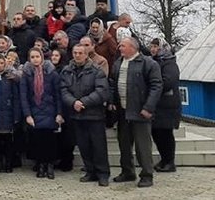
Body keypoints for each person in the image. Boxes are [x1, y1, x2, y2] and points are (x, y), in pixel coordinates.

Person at [109, 37, 162, 188]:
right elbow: (112, 83)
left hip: (140, 112)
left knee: (142, 146)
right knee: (124, 144)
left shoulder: (148, 63)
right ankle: (127, 172)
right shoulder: (119, 62)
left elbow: (156, 86)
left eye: (123, 46)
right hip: (122, 111)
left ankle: (146, 175)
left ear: (133, 47)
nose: (120, 48)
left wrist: (148, 107)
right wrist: (112, 101)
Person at [60, 44, 110, 186]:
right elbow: (63, 90)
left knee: (98, 147)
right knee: (84, 146)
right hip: (76, 115)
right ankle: (90, 171)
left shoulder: (96, 70)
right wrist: (73, 102)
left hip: (94, 115)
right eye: (75, 52)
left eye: (80, 53)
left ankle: (103, 174)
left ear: (86, 54)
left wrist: (83, 102)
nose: (77, 55)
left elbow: (102, 91)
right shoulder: (67, 71)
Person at [20, 48, 63, 180]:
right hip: (34, 111)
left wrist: (59, 113)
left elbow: (58, 95)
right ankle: (40, 165)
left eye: (37, 56)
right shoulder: (26, 74)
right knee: (37, 140)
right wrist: (27, 114)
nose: (35, 59)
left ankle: (49, 165)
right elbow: (24, 96)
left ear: (42, 57)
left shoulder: (52, 73)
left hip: (50, 111)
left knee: (49, 140)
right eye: (32, 57)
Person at [149, 38, 181, 173]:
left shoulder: (170, 63)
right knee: (156, 133)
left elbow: (168, 82)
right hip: (157, 105)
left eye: (156, 46)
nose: (153, 49)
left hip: (168, 105)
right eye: (152, 46)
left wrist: (153, 86)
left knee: (166, 134)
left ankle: (170, 161)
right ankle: (164, 159)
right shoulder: (154, 62)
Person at [0, 53, 20, 173]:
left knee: (8, 141)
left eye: (2, 63)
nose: (0, 65)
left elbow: (16, 97)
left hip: (8, 112)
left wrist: (16, 115)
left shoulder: (10, 77)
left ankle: (8, 163)